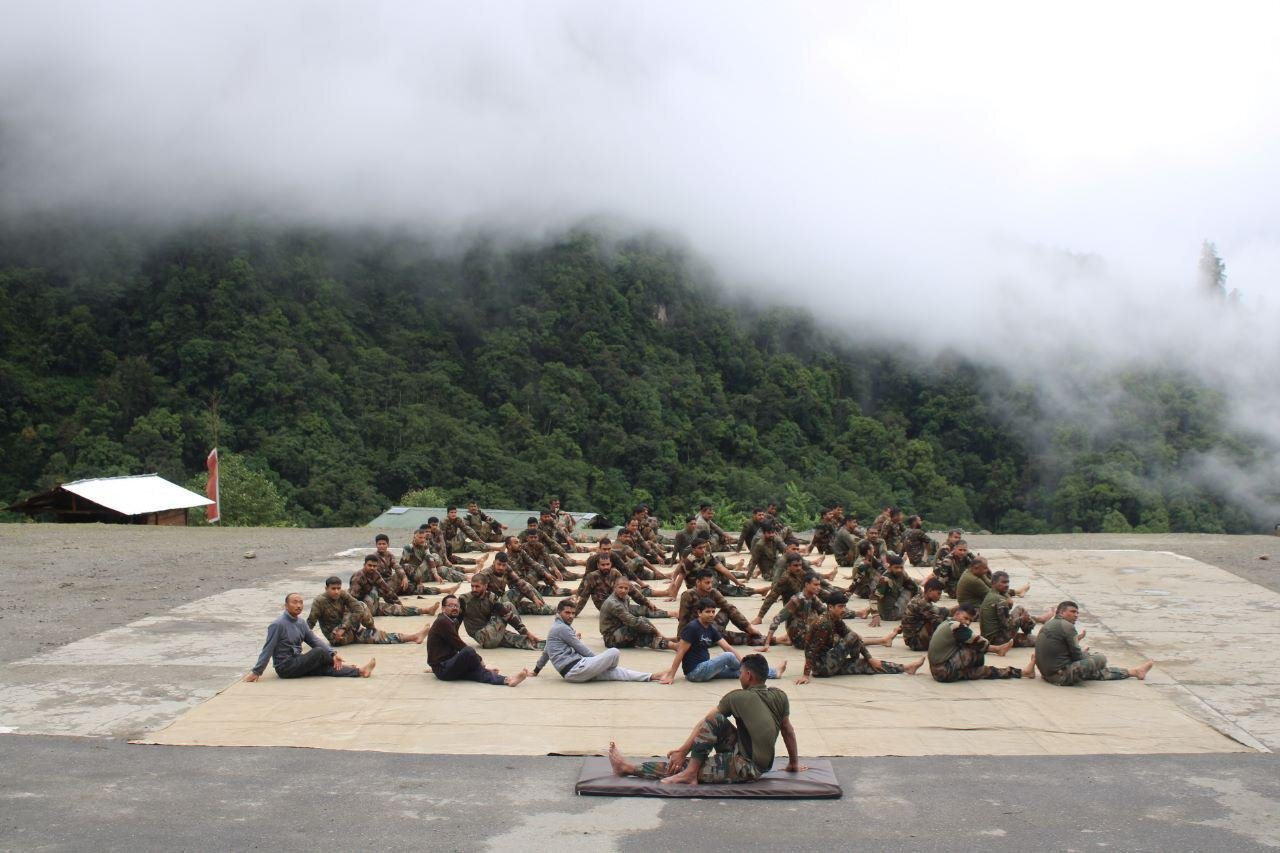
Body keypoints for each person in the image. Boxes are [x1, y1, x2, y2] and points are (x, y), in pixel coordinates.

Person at [607, 654, 805, 785]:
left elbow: (706, 722)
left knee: (685, 761)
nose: (739, 676)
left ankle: (630, 768)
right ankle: (692, 767)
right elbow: (788, 730)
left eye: (740, 673)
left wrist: (683, 751)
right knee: (718, 721)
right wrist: (793, 763)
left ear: (749, 675)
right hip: (752, 756)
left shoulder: (737, 696)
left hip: (747, 767)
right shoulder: (780, 695)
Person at [245, 592, 374, 681]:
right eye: (294, 603)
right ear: (286, 606)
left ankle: (360, 671)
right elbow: (268, 649)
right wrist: (257, 672)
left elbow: (314, 640)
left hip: (299, 661)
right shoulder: (277, 625)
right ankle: (347, 667)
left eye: (301, 603)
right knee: (318, 652)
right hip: (286, 667)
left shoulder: (301, 623)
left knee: (326, 669)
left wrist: (333, 654)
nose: (299, 606)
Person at [533, 599, 663, 682]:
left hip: (579, 668)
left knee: (617, 673)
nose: (571, 616)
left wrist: (536, 670)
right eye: (567, 613)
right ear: (558, 612)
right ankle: (607, 666)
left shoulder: (559, 628)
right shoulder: (561, 628)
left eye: (573, 613)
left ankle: (651, 676)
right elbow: (581, 649)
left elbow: (546, 651)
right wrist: (598, 661)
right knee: (614, 652)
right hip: (575, 669)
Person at [796, 593, 915, 681]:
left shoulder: (835, 619)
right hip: (822, 666)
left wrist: (869, 658)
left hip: (830, 662)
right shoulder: (824, 623)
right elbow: (811, 650)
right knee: (853, 637)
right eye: (840, 607)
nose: (843, 610)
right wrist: (806, 675)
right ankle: (858, 659)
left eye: (844, 606)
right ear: (830, 607)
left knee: (867, 665)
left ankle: (905, 668)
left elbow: (855, 638)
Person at [662, 599, 785, 683]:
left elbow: (728, 647)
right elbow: (681, 651)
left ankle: (774, 673)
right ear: (699, 613)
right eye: (707, 612)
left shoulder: (711, 628)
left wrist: (745, 661)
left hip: (707, 668)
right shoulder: (692, 628)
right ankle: (752, 668)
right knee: (728, 657)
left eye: (713, 611)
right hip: (695, 672)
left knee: (739, 673)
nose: (711, 614)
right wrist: (671, 675)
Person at [1035, 601, 1154, 685]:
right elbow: (1077, 656)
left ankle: (1133, 672)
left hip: (1048, 673)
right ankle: (1133, 672)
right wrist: (1086, 656)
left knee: (1089, 663)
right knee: (1100, 658)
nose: (1076, 615)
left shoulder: (1050, 624)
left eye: (1077, 612)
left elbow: (1060, 650)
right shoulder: (1067, 627)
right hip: (1059, 676)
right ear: (1061, 613)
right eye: (1073, 612)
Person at [426, 594, 529, 686]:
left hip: (449, 665)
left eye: (457, 606)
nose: (455, 608)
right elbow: (459, 645)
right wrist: (480, 661)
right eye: (451, 606)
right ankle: (485, 669)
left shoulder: (451, 621)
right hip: (443, 669)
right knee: (468, 651)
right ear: (443, 608)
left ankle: (507, 680)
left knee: (477, 674)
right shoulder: (442, 622)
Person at [307, 576, 427, 646]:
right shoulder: (319, 601)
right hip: (336, 636)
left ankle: (413, 637)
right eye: (333, 589)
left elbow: (358, 608)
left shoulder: (342, 595)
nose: (337, 592)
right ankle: (372, 630)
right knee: (360, 609)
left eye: (338, 588)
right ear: (326, 589)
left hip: (347, 628)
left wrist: (344, 627)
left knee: (362, 610)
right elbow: (310, 623)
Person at [927, 604, 1033, 682]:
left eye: (970, 620)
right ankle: (1001, 653)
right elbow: (979, 641)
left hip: (938, 672)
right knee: (976, 650)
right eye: (965, 618)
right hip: (945, 671)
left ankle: (1022, 672)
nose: (967, 622)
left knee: (984, 671)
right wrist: (994, 648)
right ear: (957, 614)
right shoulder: (956, 626)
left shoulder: (947, 622)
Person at [676, 569, 763, 645]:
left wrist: (748, 626)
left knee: (729, 609)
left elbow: (728, 607)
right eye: (707, 583)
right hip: (697, 632)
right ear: (698, 582)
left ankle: (760, 635)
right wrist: (681, 639)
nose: (710, 585)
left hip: (711, 627)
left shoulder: (713, 592)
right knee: (738, 638)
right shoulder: (688, 595)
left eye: (711, 583)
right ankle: (770, 639)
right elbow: (683, 619)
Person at [457, 575, 543, 650]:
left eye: (477, 586)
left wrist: (526, 633)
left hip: (492, 631)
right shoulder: (464, 599)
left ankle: (541, 645)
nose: (474, 589)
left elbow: (506, 614)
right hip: (483, 636)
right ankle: (525, 633)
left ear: (485, 586)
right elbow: (457, 620)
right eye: (472, 586)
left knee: (518, 640)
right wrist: (456, 642)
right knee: (506, 606)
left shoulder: (491, 597)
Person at [599, 577, 676, 650]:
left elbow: (632, 618)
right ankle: (668, 642)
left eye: (626, 588)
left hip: (620, 630)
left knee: (642, 628)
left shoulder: (625, 598)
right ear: (615, 588)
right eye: (620, 587)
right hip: (611, 638)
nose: (623, 590)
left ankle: (668, 643)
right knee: (641, 627)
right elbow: (632, 622)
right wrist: (655, 631)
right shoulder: (614, 603)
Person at [980, 572, 1053, 647]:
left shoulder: (991, 594)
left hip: (990, 636)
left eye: (1007, 582)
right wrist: (1021, 619)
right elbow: (1007, 625)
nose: (1007, 585)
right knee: (1041, 641)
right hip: (997, 640)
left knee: (1020, 608)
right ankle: (1030, 632)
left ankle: (1029, 631)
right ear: (994, 583)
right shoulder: (1000, 600)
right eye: (1003, 582)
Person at [349, 555, 437, 618]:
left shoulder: (375, 574)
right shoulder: (358, 577)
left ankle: (426, 610)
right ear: (364, 565)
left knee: (397, 609)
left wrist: (398, 603)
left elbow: (387, 590)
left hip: (373, 604)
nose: (372, 568)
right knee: (374, 590)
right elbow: (352, 599)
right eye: (370, 565)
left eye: (374, 566)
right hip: (362, 607)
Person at [763, 572, 827, 649]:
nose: (819, 587)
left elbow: (825, 612)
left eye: (819, 585)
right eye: (815, 585)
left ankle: (784, 639)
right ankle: (785, 639)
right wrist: (767, 644)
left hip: (807, 631)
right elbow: (777, 618)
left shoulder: (812, 597)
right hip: (800, 638)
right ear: (806, 585)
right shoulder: (797, 599)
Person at [900, 579, 951, 651]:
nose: (939, 597)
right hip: (915, 642)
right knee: (943, 622)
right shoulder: (923, 603)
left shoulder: (920, 596)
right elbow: (939, 621)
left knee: (943, 612)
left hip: (912, 636)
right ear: (930, 590)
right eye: (938, 593)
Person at [873, 555, 920, 621]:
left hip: (893, 606)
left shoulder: (901, 574)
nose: (899, 570)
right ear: (890, 567)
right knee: (908, 591)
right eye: (896, 567)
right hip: (891, 614)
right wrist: (875, 615)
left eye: (901, 567)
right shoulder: (885, 579)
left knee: (914, 588)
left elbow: (914, 586)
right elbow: (874, 597)